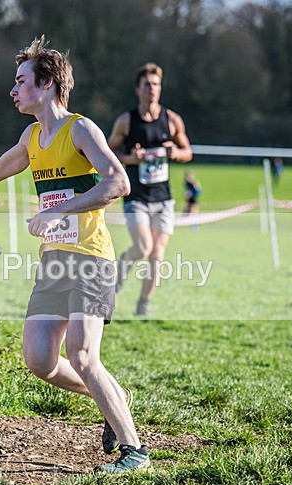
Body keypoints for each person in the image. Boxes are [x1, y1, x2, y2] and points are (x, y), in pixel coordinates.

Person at [0, 36, 149, 474]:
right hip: (54, 261)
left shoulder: (81, 129)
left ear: (47, 83)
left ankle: (133, 451)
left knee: (84, 355)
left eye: (20, 81)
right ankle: (114, 398)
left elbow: (118, 184)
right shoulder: (32, 136)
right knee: (40, 359)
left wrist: (59, 211)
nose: (12, 90)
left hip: (90, 256)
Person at [108, 63, 193, 316]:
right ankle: (121, 268)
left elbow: (188, 152)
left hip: (163, 198)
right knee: (143, 248)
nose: (152, 89)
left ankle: (143, 303)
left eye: (156, 84)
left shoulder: (172, 119)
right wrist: (130, 159)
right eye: (147, 85)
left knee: (157, 256)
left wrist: (174, 153)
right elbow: (108, 152)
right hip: (136, 197)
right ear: (138, 89)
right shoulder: (126, 121)